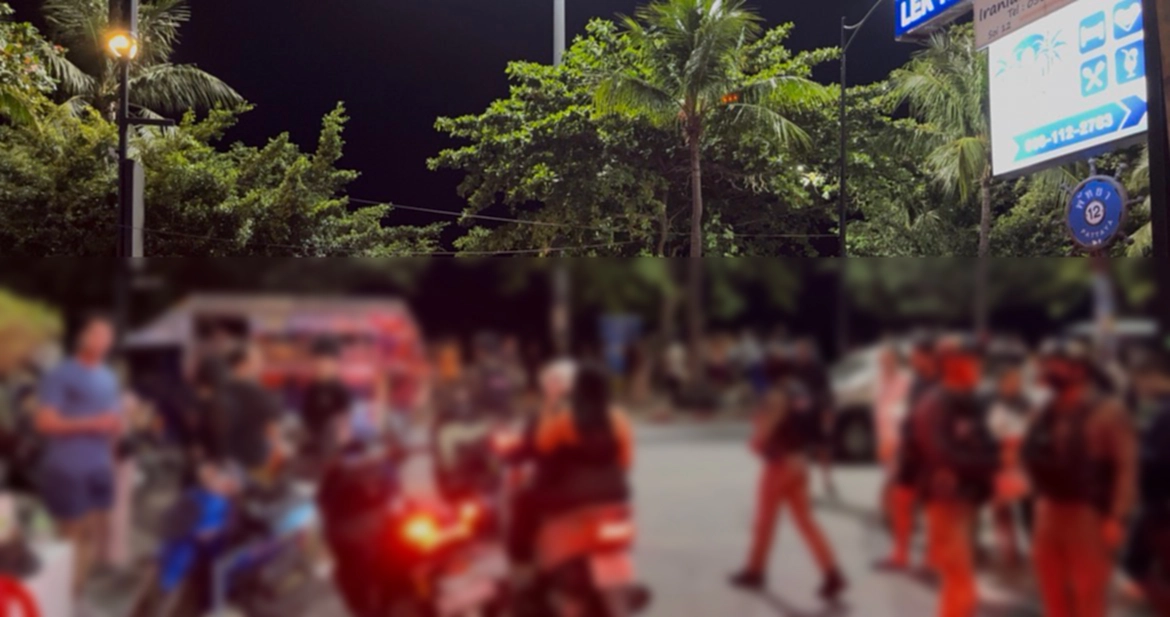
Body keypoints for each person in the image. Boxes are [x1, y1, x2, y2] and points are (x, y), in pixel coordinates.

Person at [1023, 337, 1137, 617]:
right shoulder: (1044, 410)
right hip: (1048, 508)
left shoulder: (1108, 411)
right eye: (1047, 364)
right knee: (1052, 590)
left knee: (1089, 595)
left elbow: (1126, 467)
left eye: (1056, 364)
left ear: (1079, 370)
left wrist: (1117, 516)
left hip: (1088, 513)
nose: (1048, 371)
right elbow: (1029, 453)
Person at [730, 350, 847, 600]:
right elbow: (814, 425)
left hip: (779, 465)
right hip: (801, 463)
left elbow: (765, 430)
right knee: (807, 522)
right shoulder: (801, 392)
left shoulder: (776, 395)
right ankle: (832, 572)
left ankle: (754, 571)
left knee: (764, 522)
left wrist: (755, 443)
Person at [33, 313, 124, 606]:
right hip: (68, 467)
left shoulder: (109, 376)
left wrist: (117, 426)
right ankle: (58, 599)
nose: (103, 340)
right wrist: (92, 423)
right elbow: (45, 422)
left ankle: (77, 593)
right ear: (81, 337)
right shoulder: (60, 374)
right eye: (97, 333)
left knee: (93, 534)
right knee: (68, 538)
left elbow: (112, 418)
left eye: (108, 335)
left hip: (99, 466)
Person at [906, 335, 998, 617]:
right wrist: (992, 464)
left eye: (978, 361)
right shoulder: (935, 403)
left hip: (966, 501)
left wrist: (999, 458)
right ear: (951, 364)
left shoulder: (971, 401)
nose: (978, 366)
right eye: (971, 361)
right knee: (960, 582)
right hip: (944, 501)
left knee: (960, 586)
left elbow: (986, 442)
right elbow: (943, 455)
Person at [877, 332, 939, 571]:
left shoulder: (941, 382)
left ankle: (931, 557)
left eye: (915, 355)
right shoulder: (917, 381)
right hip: (910, 450)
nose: (911, 359)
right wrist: (899, 442)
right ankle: (900, 553)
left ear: (928, 356)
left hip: (931, 454)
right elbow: (910, 412)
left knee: (931, 507)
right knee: (901, 499)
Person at [1124, 345, 1170, 614]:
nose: (1138, 389)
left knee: (1135, 563)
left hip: (1159, 504)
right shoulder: (1160, 410)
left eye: (1138, 381)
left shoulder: (1165, 412)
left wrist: (1133, 450)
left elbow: (1155, 460)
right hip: (1159, 503)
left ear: (1151, 377)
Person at [985, 342, 1034, 568]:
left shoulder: (1026, 401)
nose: (1015, 385)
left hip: (1023, 461)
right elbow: (986, 431)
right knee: (1001, 507)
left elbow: (1034, 428)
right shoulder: (988, 400)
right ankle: (1009, 549)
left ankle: (1033, 546)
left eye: (1017, 381)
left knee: (1028, 505)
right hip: (999, 459)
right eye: (1010, 381)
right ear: (1000, 382)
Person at [215, 345, 285, 481]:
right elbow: (272, 429)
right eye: (256, 361)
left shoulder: (220, 391)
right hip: (255, 461)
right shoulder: (259, 394)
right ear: (243, 365)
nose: (260, 365)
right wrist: (279, 448)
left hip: (228, 462)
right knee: (262, 491)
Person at [300, 338, 353, 461]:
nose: (320, 366)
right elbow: (306, 418)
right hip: (313, 448)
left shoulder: (340, 391)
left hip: (331, 450)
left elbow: (343, 427)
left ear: (335, 364)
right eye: (317, 361)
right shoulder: (312, 388)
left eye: (324, 362)